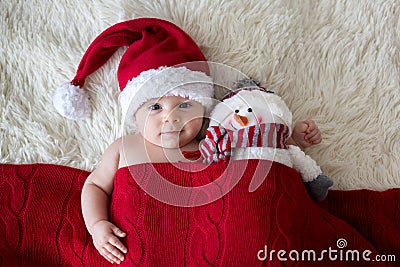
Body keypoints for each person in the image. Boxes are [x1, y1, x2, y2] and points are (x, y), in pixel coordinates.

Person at [52, 18, 322, 264]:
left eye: (184, 106)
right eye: (155, 108)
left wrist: (294, 139)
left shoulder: (212, 144)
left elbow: (259, 148)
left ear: (203, 108)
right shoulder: (125, 146)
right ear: (135, 113)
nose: (170, 119)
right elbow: (96, 185)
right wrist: (97, 224)